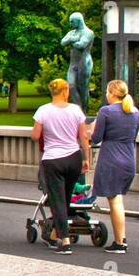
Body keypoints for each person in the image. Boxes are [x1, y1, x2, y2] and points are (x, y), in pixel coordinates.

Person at [32, 78, 90, 255]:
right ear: (66, 92)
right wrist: (86, 159)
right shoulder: (75, 110)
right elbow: (83, 137)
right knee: (65, 197)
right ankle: (58, 232)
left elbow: (35, 136)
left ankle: (65, 241)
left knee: (57, 200)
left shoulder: (43, 111)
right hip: (73, 157)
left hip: (53, 159)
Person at [91, 79, 139, 253]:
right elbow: (133, 136)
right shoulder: (134, 112)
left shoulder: (106, 111)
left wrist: (92, 128)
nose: (105, 95)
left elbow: (96, 138)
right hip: (128, 159)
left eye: (106, 91)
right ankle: (121, 239)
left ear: (112, 93)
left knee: (115, 200)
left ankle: (120, 241)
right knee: (117, 199)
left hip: (111, 160)